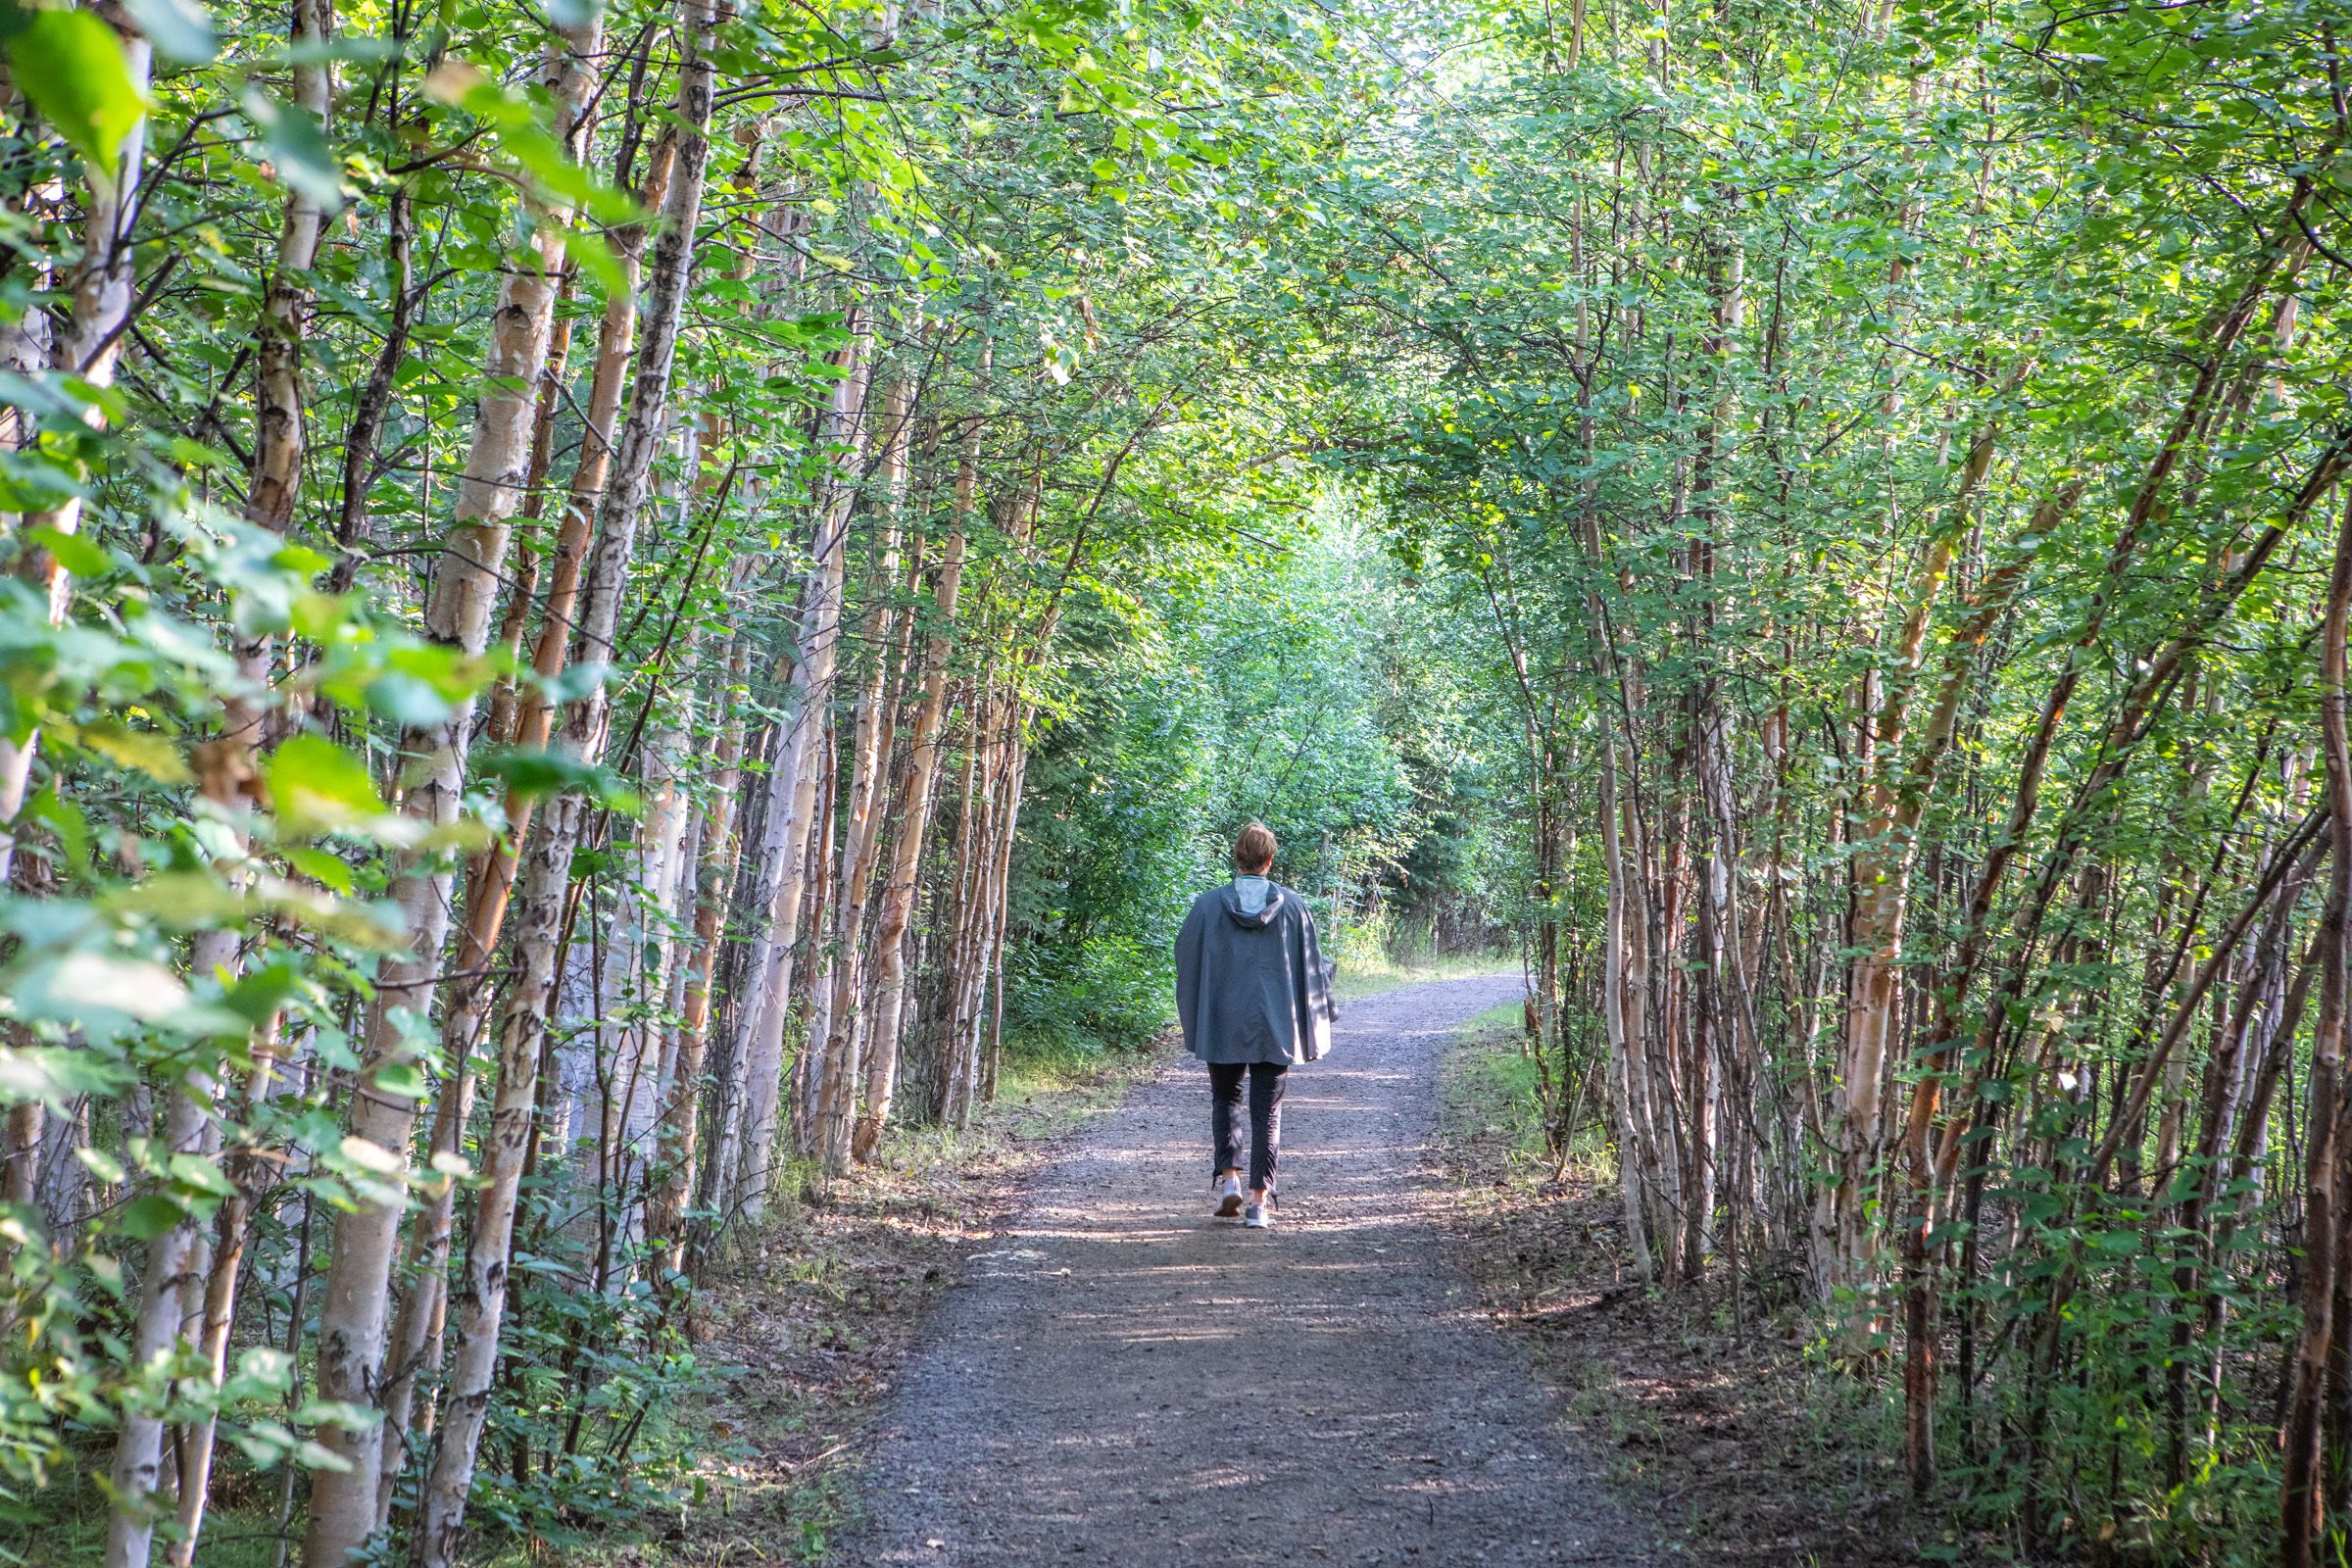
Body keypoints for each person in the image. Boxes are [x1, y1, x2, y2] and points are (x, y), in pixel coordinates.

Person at [1173, 821, 1339, 1230]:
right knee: (1268, 1110)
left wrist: (1202, 1005)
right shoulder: (1295, 906)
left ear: (1237, 857)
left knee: (1226, 1098)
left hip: (1222, 1020)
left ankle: (1230, 1180)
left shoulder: (1208, 906)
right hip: (1275, 1024)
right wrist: (1321, 1007)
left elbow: (1185, 959)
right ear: (1269, 859)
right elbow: (1313, 968)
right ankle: (1258, 1203)